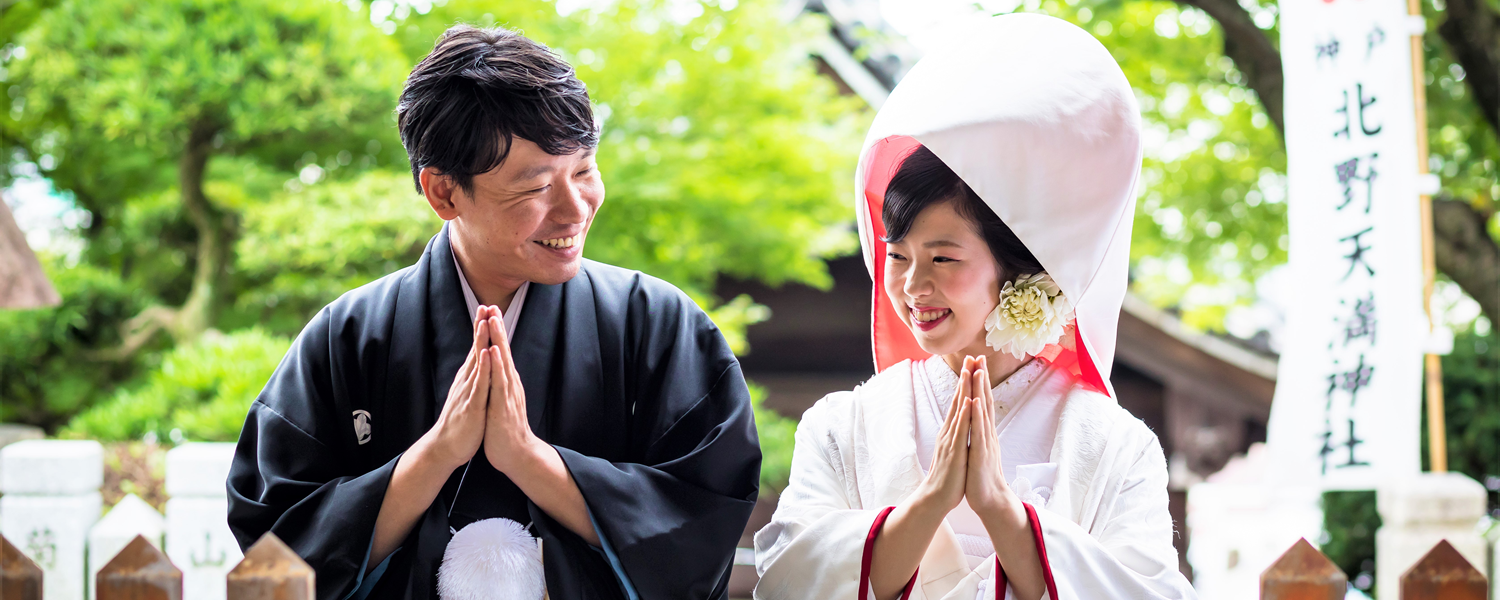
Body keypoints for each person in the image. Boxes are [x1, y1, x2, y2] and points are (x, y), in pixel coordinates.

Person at [226, 25, 761, 600]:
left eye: (583, 171)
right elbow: (276, 550)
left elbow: (704, 521)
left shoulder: (656, 326)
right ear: (444, 194)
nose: (575, 208)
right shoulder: (349, 336)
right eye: (535, 188)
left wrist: (531, 461)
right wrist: (435, 455)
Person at [752, 14, 1196, 600]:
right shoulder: (843, 424)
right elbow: (786, 581)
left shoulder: (1111, 441)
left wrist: (1002, 513)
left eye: (943, 259)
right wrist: (930, 501)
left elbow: (1152, 592)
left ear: (1016, 269)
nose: (913, 285)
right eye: (899, 256)